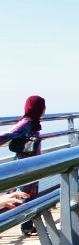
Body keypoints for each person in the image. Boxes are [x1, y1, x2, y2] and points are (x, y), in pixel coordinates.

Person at [0, 95, 46, 235]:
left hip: (32, 165)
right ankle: (22, 225)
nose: (45, 109)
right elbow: (9, 134)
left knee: (30, 194)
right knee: (23, 195)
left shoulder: (34, 122)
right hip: (24, 166)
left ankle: (27, 225)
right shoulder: (27, 122)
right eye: (43, 106)